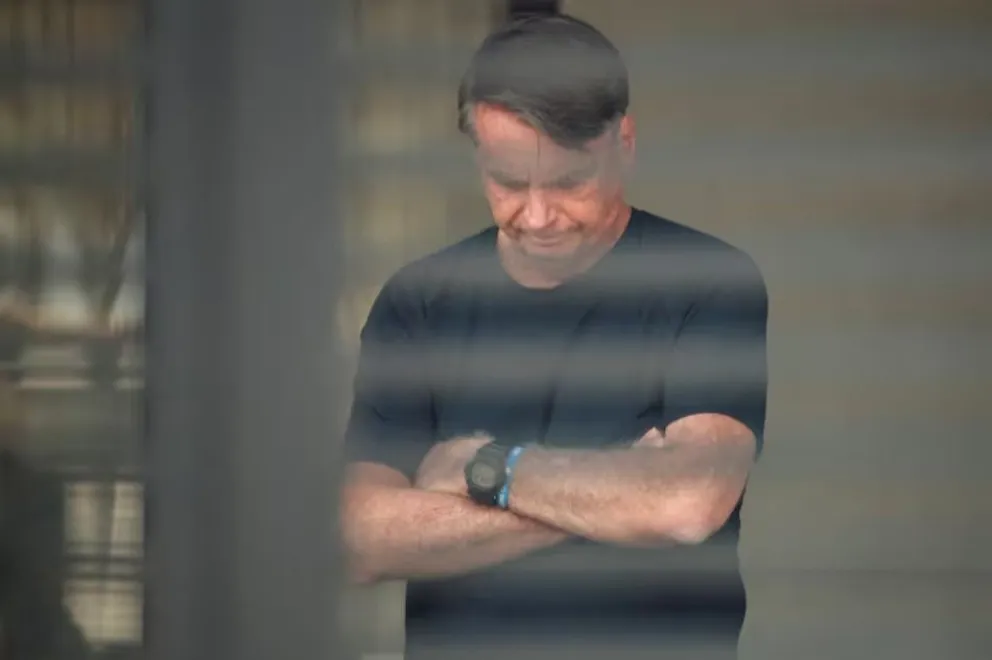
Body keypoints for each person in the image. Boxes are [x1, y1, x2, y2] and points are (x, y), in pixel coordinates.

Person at [342, 13, 768, 660]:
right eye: (509, 182)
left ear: (624, 144)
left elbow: (685, 501)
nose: (538, 216)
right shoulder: (419, 301)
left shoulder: (706, 280)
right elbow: (361, 539)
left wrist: (482, 469)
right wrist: (613, 493)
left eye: (569, 181)